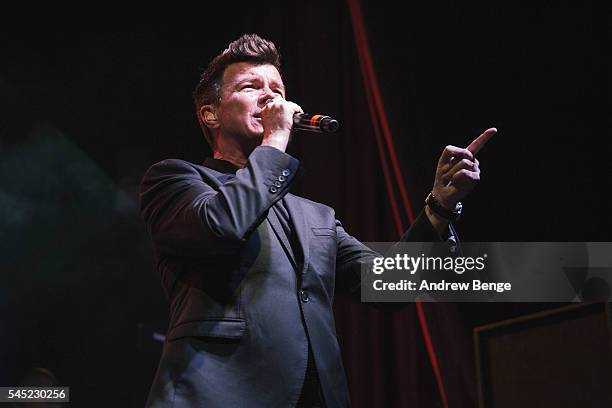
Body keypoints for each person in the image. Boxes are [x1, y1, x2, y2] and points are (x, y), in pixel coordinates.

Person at [140, 33, 484, 408]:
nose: (270, 97)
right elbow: (223, 225)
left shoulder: (316, 217)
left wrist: (440, 207)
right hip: (219, 394)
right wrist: (274, 139)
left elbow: (388, 287)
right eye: (251, 87)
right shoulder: (176, 181)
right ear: (210, 113)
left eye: (277, 89)